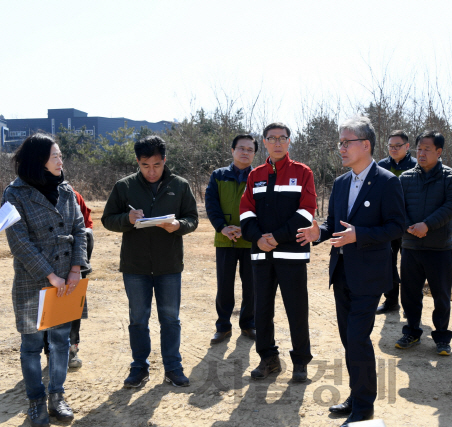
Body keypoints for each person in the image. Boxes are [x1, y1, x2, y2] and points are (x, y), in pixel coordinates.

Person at [297, 116, 405, 426]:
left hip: (369, 275)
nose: (341, 148)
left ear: (366, 145)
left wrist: (361, 234)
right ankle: (357, 395)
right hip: (342, 271)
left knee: (358, 337)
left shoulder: (387, 181)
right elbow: (334, 224)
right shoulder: (342, 182)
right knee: (349, 339)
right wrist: (319, 233)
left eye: (347, 142)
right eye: (340, 143)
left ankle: (364, 407)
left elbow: (397, 227)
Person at [3, 133, 88, 426]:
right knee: (31, 344)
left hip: (67, 277)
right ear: (39, 160)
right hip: (33, 280)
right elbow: (19, 241)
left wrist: (76, 268)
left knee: (61, 342)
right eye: (56, 156)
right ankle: (36, 401)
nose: (61, 161)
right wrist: (48, 274)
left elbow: (80, 228)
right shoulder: (14, 193)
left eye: (60, 156)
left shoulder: (65, 188)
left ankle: (57, 396)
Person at [102, 135, 199, 389]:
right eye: (145, 166)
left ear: (164, 160)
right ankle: (139, 368)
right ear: (138, 162)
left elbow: (192, 219)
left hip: (169, 266)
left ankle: (173, 368)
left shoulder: (180, 185)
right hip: (135, 267)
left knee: (170, 319)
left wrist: (179, 225)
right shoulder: (124, 186)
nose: (151, 171)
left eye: (156, 165)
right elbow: (107, 219)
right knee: (138, 319)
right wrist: (127, 219)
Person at [239, 122, 316, 382]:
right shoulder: (255, 175)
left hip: (291, 255)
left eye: (282, 138)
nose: (278, 142)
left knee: (296, 310)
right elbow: (246, 212)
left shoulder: (302, 172)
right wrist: (258, 238)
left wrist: (278, 236)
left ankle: (300, 362)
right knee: (262, 311)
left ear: (289, 141)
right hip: (261, 255)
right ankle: (268, 359)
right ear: (265, 142)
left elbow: (306, 212)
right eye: (272, 138)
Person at [396, 130, 452, 356]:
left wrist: (427, 225)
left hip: (439, 247)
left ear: (439, 151)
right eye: (419, 149)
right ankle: (412, 332)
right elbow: (397, 208)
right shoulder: (404, 178)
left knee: (441, 296)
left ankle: (442, 337)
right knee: (409, 294)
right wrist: (408, 226)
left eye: (427, 149)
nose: (421, 153)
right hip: (410, 246)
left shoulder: (451, 177)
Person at [205, 134, 257, 344]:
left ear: (254, 153)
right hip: (225, 239)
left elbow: (263, 208)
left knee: (251, 286)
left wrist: (247, 229)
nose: (245, 152)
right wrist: (222, 228)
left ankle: (248, 324)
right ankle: (223, 326)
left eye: (250, 150)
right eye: (241, 148)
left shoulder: (260, 176)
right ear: (232, 150)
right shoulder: (218, 175)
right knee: (224, 285)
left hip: (251, 239)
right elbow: (212, 204)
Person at [43, 188, 94, 368]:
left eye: (59, 157)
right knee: (46, 309)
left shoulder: (71, 194)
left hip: (72, 263)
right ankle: (50, 352)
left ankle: (72, 350)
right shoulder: (27, 194)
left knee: (72, 309)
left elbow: (86, 228)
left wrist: (78, 265)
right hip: (45, 266)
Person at [376, 130, 417, 314]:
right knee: (387, 263)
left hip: (410, 224)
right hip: (388, 224)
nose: (393, 149)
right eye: (390, 146)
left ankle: (411, 307)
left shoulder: (416, 166)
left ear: (407, 147)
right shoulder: (381, 166)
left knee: (409, 267)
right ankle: (391, 301)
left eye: (397, 146)